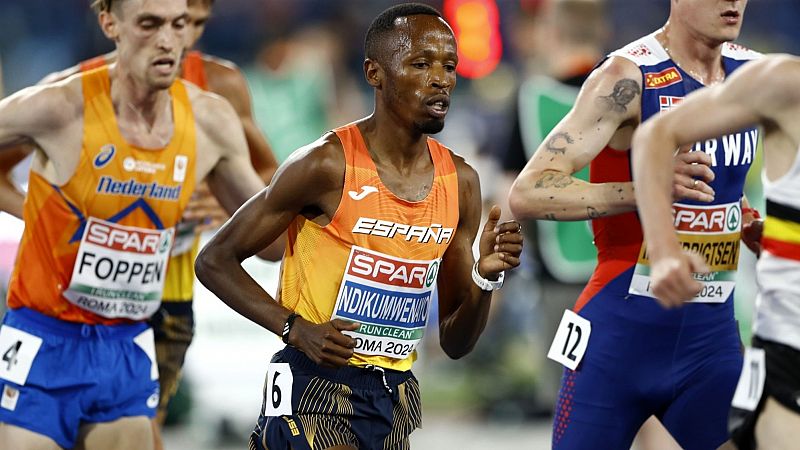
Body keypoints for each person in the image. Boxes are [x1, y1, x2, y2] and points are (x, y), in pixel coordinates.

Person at [194, 4, 524, 449]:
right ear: (375, 73)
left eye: (449, 66)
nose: (441, 79)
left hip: (394, 397)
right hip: (315, 388)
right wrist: (293, 328)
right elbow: (215, 260)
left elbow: (455, 342)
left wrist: (484, 278)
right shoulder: (324, 164)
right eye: (420, 64)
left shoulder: (460, 182)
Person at [0, 0, 279, 448]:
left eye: (179, 24)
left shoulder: (210, 121)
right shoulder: (60, 106)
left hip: (128, 342)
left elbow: (272, 245)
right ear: (110, 23)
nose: (169, 41)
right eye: (149, 24)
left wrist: (317, 198)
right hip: (43, 341)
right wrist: (39, 214)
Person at [508, 0, 760, 448]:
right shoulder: (626, 76)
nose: (733, 1)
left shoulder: (754, 76)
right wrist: (644, 189)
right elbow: (529, 191)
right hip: (617, 339)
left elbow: (721, 188)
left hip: (710, 337)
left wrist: (751, 222)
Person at [632, 54, 800, 450]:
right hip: (789, 356)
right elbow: (654, 136)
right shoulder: (784, 81)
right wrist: (664, 249)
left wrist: (782, 238)